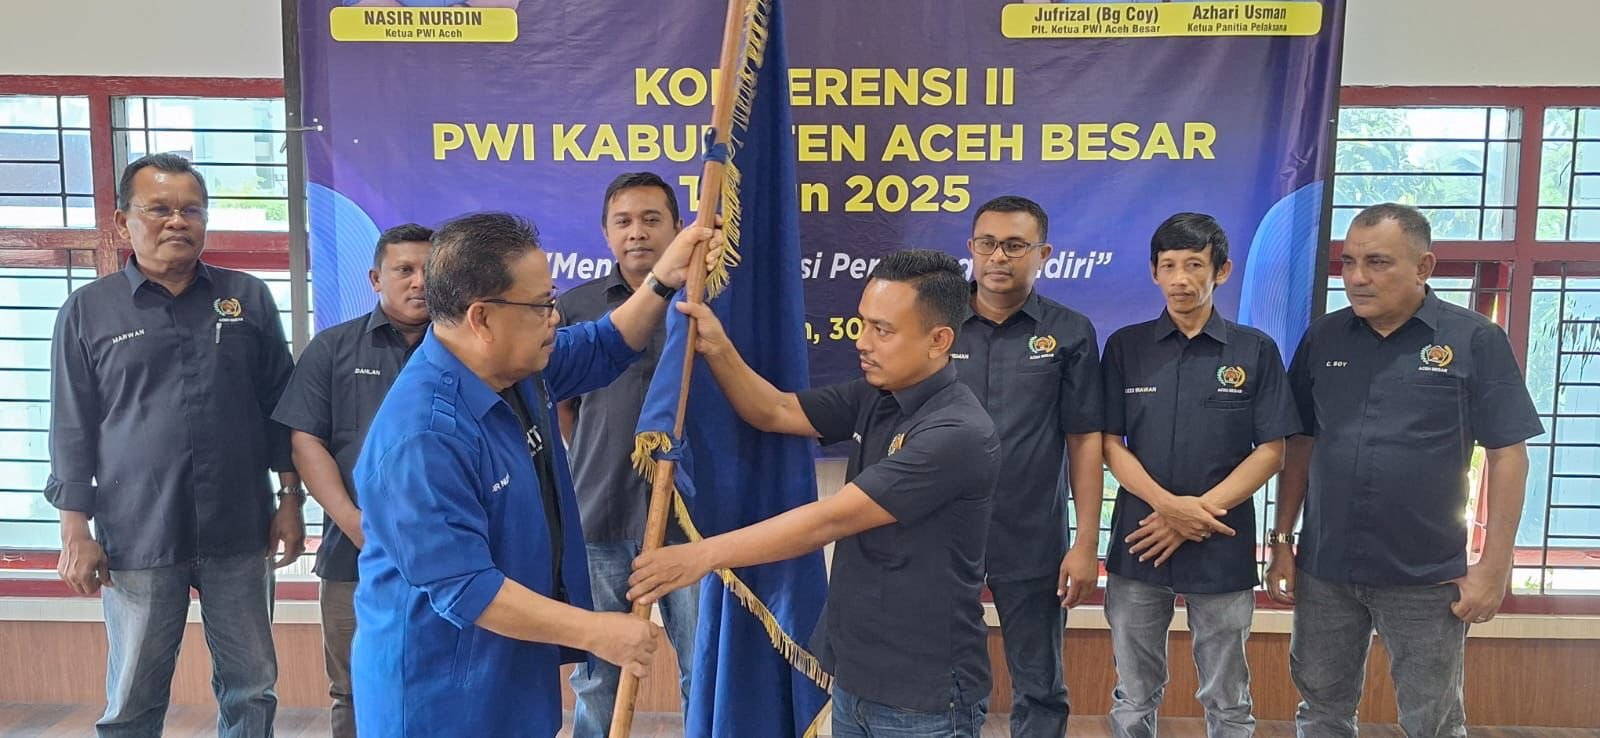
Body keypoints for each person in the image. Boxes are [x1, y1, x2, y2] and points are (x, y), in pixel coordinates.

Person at [350, 211, 715, 737]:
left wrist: (662, 280)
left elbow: (604, 344)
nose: (554, 318)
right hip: (441, 694)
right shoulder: (423, 436)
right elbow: (467, 588)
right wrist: (597, 631)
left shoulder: (514, 369)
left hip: (513, 673)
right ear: (481, 318)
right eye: (541, 305)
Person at [629, 250, 1002, 738]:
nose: (862, 342)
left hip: (923, 695)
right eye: (862, 323)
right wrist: (718, 348)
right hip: (853, 674)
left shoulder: (958, 431)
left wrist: (701, 556)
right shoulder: (877, 395)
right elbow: (776, 411)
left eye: (883, 330)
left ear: (939, 340)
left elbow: (830, 520)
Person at [46, 152, 303, 738]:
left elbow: (280, 407)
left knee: (251, 687)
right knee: (133, 695)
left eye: (192, 210)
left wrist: (291, 498)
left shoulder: (247, 298)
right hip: (138, 528)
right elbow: (71, 426)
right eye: (158, 209)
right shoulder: (89, 310)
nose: (177, 222)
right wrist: (74, 530)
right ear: (123, 221)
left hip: (239, 525)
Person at [1270, 203, 1542, 737]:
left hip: (1427, 575)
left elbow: (1508, 454)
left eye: (1377, 262)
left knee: (1432, 721)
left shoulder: (1473, 339)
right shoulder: (1323, 337)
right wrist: (1282, 539)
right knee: (1321, 711)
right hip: (1327, 568)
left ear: (1424, 267)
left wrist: (1494, 568)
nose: (1357, 278)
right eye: (1348, 262)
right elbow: (1299, 443)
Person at [1100, 213, 1300, 738]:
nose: (1180, 279)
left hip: (1221, 540)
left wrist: (1196, 514)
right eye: (1168, 266)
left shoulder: (1255, 349)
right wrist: (1170, 508)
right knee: (1133, 693)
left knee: (1227, 695)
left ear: (1222, 271)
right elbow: (1109, 445)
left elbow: (1271, 452)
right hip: (1141, 539)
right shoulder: (1125, 347)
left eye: (1194, 265)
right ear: (1154, 272)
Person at [271, 223, 433, 738]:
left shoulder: (467, 348)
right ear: (375, 278)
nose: (419, 282)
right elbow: (305, 440)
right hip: (353, 555)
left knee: (441, 685)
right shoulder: (333, 348)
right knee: (354, 688)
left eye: (430, 270)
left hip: (449, 554)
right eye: (404, 270)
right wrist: (354, 522)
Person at [952, 195, 1104, 737]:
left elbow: (1084, 440)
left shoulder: (1070, 332)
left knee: (1040, 684)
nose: (999, 256)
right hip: (941, 532)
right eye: (988, 243)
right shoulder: (934, 322)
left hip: (1032, 533)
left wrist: (1086, 543)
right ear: (972, 249)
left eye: (1016, 245)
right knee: (942, 676)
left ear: (1043, 254)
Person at [555, 172, 697, 737]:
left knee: (703, 666)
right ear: (606, 234)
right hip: (600, 514)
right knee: (598, 675)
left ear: (678, 227)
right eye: (624, 221)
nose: (637, 232)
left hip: (692, 524)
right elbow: (563, 408)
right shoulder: (577, 307)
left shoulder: (705, 301)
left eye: (651, 219)